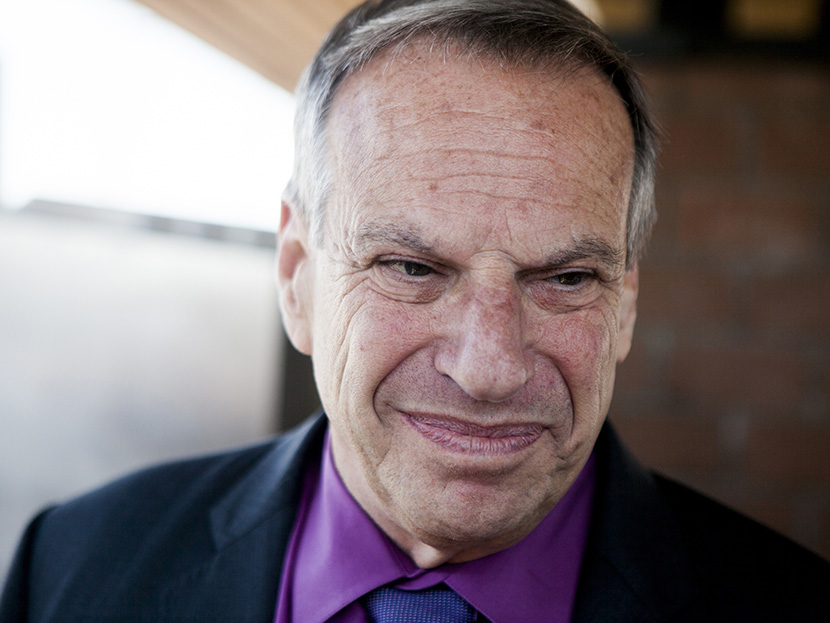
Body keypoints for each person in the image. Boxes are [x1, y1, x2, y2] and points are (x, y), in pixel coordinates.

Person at [2, 0, 828, 621]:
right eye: (410, 267)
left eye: (566, 279)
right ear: (296, 279)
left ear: (627, 302)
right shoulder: (71, 568)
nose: (487, 368)